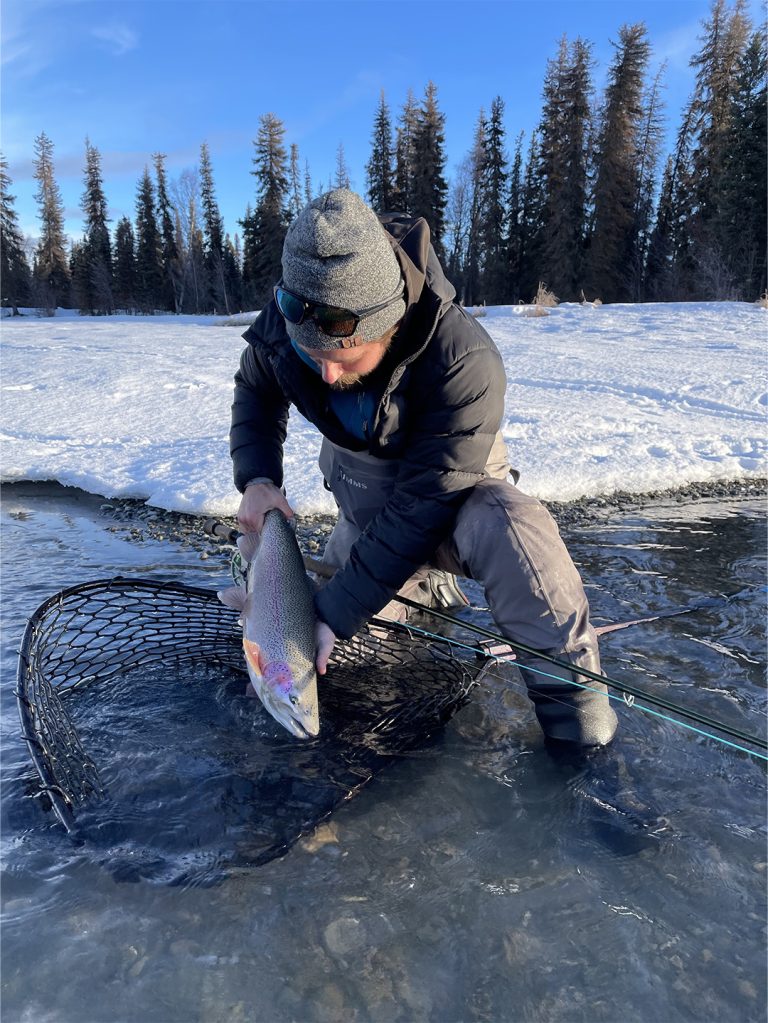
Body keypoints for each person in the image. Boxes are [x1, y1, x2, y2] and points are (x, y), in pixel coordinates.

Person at [230, 188, 618, 748]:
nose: (329, 377)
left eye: (341, 357)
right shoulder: (299, 313)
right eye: (313, 359)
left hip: (456, 503)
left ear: (385, 325)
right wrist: (259, 479)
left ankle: (581, 735)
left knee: (514, 531)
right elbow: (256, 386)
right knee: (332, 664)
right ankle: (416, 603)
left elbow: (421, 509)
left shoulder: (464, 360)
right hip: (363, 514)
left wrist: (336, 612)